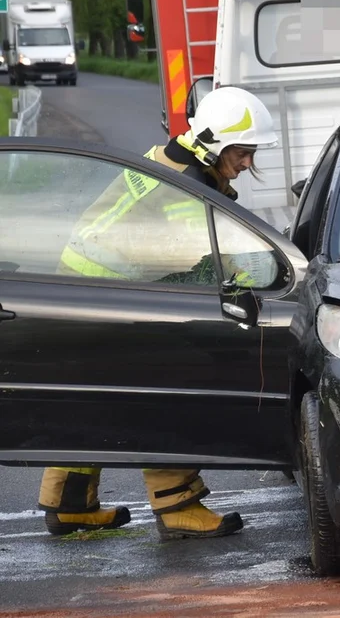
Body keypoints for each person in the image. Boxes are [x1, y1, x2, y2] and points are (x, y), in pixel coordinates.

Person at [38, 86, 279, 539]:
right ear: (214, 144)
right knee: (165, 392)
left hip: (83, 290)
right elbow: (209, 262)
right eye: (243, 152)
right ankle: (178, 506)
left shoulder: (171, 159)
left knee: (91, 402)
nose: (248, 163)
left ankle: (69, 504)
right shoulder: (186, 187)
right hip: (111, 299)